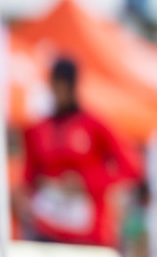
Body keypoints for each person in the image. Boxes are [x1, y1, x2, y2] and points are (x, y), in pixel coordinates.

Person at [21, 58, 143, 246]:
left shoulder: (94, 125)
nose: (59, 91)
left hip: (88, 234)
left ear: (73, 86)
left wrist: (86, 182)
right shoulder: (37, 130)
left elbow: (132, 167)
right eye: (56, 84)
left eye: (64, 84)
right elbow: (29, 177)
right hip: (47, 228)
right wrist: (26, 194)